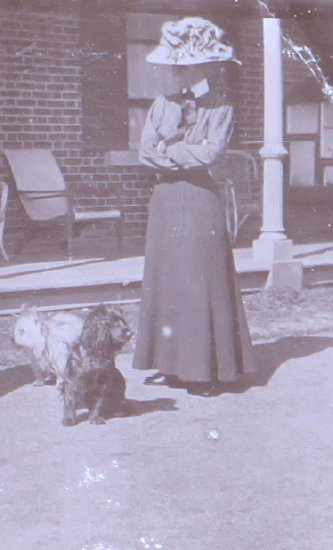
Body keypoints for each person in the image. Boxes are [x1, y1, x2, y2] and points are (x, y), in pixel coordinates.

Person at [132, 17, 255, 397]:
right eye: (174, 66)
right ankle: (171, 364)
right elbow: (145, 152)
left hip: (201, 199)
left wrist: (169, 150)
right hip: (166, 199)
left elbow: (210, 153)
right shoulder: (162, 103)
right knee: (167, 280)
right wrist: (182, 152)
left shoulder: (222, 107)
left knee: (201, 281)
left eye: (183, 66)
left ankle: (205, 370)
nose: (176, 73)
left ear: (204, 66)